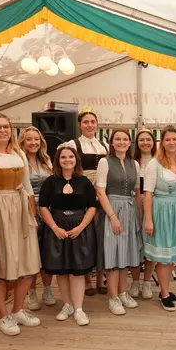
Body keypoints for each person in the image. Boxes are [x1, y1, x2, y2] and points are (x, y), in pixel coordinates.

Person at [0, 113, 42, 336]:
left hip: (20, 208)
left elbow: (28, 188)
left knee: (29, 262)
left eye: (6, 126)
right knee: (1, 266)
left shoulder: (18, 152)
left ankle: (18, 309)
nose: (2, 130)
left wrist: (33, 216)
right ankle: (3, 315)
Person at [39, 146, 97, 326]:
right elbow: (43, 207)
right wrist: (54, 228)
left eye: (71, 156)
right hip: (57, 228)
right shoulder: (50, 182)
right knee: (61, 269)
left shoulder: (84, 182)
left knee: (77, 270)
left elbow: (92, 206)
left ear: (76, 159)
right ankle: (67, 305)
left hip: (79, 228)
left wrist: (81, 227)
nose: (67, 160)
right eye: (63, 157)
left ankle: (78, 309)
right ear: (58, 160)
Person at [143, 125, 176, 311]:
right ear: (162, 143)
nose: (171, 142)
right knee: (163, 256)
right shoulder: (154, 164)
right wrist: (149, 219)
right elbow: (147, 193)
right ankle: (164, 294)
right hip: (162, 211)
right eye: (167, 139)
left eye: (175, 139)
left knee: (171, 254)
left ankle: (165, 290)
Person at [95, 129, 142, 315]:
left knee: (126, 253)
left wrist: (138, 216)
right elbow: (100, 192)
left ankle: (122, 292)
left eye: (125, 139)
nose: (121, 142)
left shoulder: (134, 164)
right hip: (112, 208)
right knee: (113, 253)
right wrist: (112, 216)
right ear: (112, 143)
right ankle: (113, 297)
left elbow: (136, 192)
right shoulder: (104, 162)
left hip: (130, 210)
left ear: (130, 142)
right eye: (118, 139)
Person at [66, 108, 108, 296]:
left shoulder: (104, 145)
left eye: (93, 121)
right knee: (85, 234)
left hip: (103, 189)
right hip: (82, 189)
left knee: (100, 234)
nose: (90, 125)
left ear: (97, 124)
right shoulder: (73, 144)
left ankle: (100, 278)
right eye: (86, 122)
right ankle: (86, 280)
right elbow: (70, 169)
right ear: (79, 125)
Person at [18, 126, 56, 310]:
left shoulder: (46, 160)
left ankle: (47, 289)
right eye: (29, 139)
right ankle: (31, 293)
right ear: (22, 142)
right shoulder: (19, 160)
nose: (33, 143)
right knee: (31, 253)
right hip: (26, 208)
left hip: (48, 209)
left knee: (47, 250)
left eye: (36, 139)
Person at [129, 127, 157, 300]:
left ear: (153, 142)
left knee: (151, 243)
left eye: (148, 139)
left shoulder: (159, 161)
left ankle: (147, 282)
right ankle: (135, 281)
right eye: (141, 140)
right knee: (135, 244)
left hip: (154, 205)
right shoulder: (131, 162)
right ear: (137, 143)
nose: (145, 142)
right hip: (134, 204)